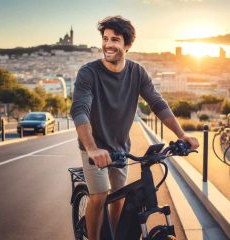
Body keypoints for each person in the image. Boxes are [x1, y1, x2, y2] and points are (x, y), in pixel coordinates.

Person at [70, 15, 199, 240]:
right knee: (99, 196)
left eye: (115, 40)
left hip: (120, 147)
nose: (108, 45)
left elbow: (158, 104)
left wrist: (181, 134)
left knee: (119, 198)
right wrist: (92, 148)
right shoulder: (88, 73)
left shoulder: (137, 72)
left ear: (127, 45)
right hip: (94, 148)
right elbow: (80, 110)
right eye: (105, 38)